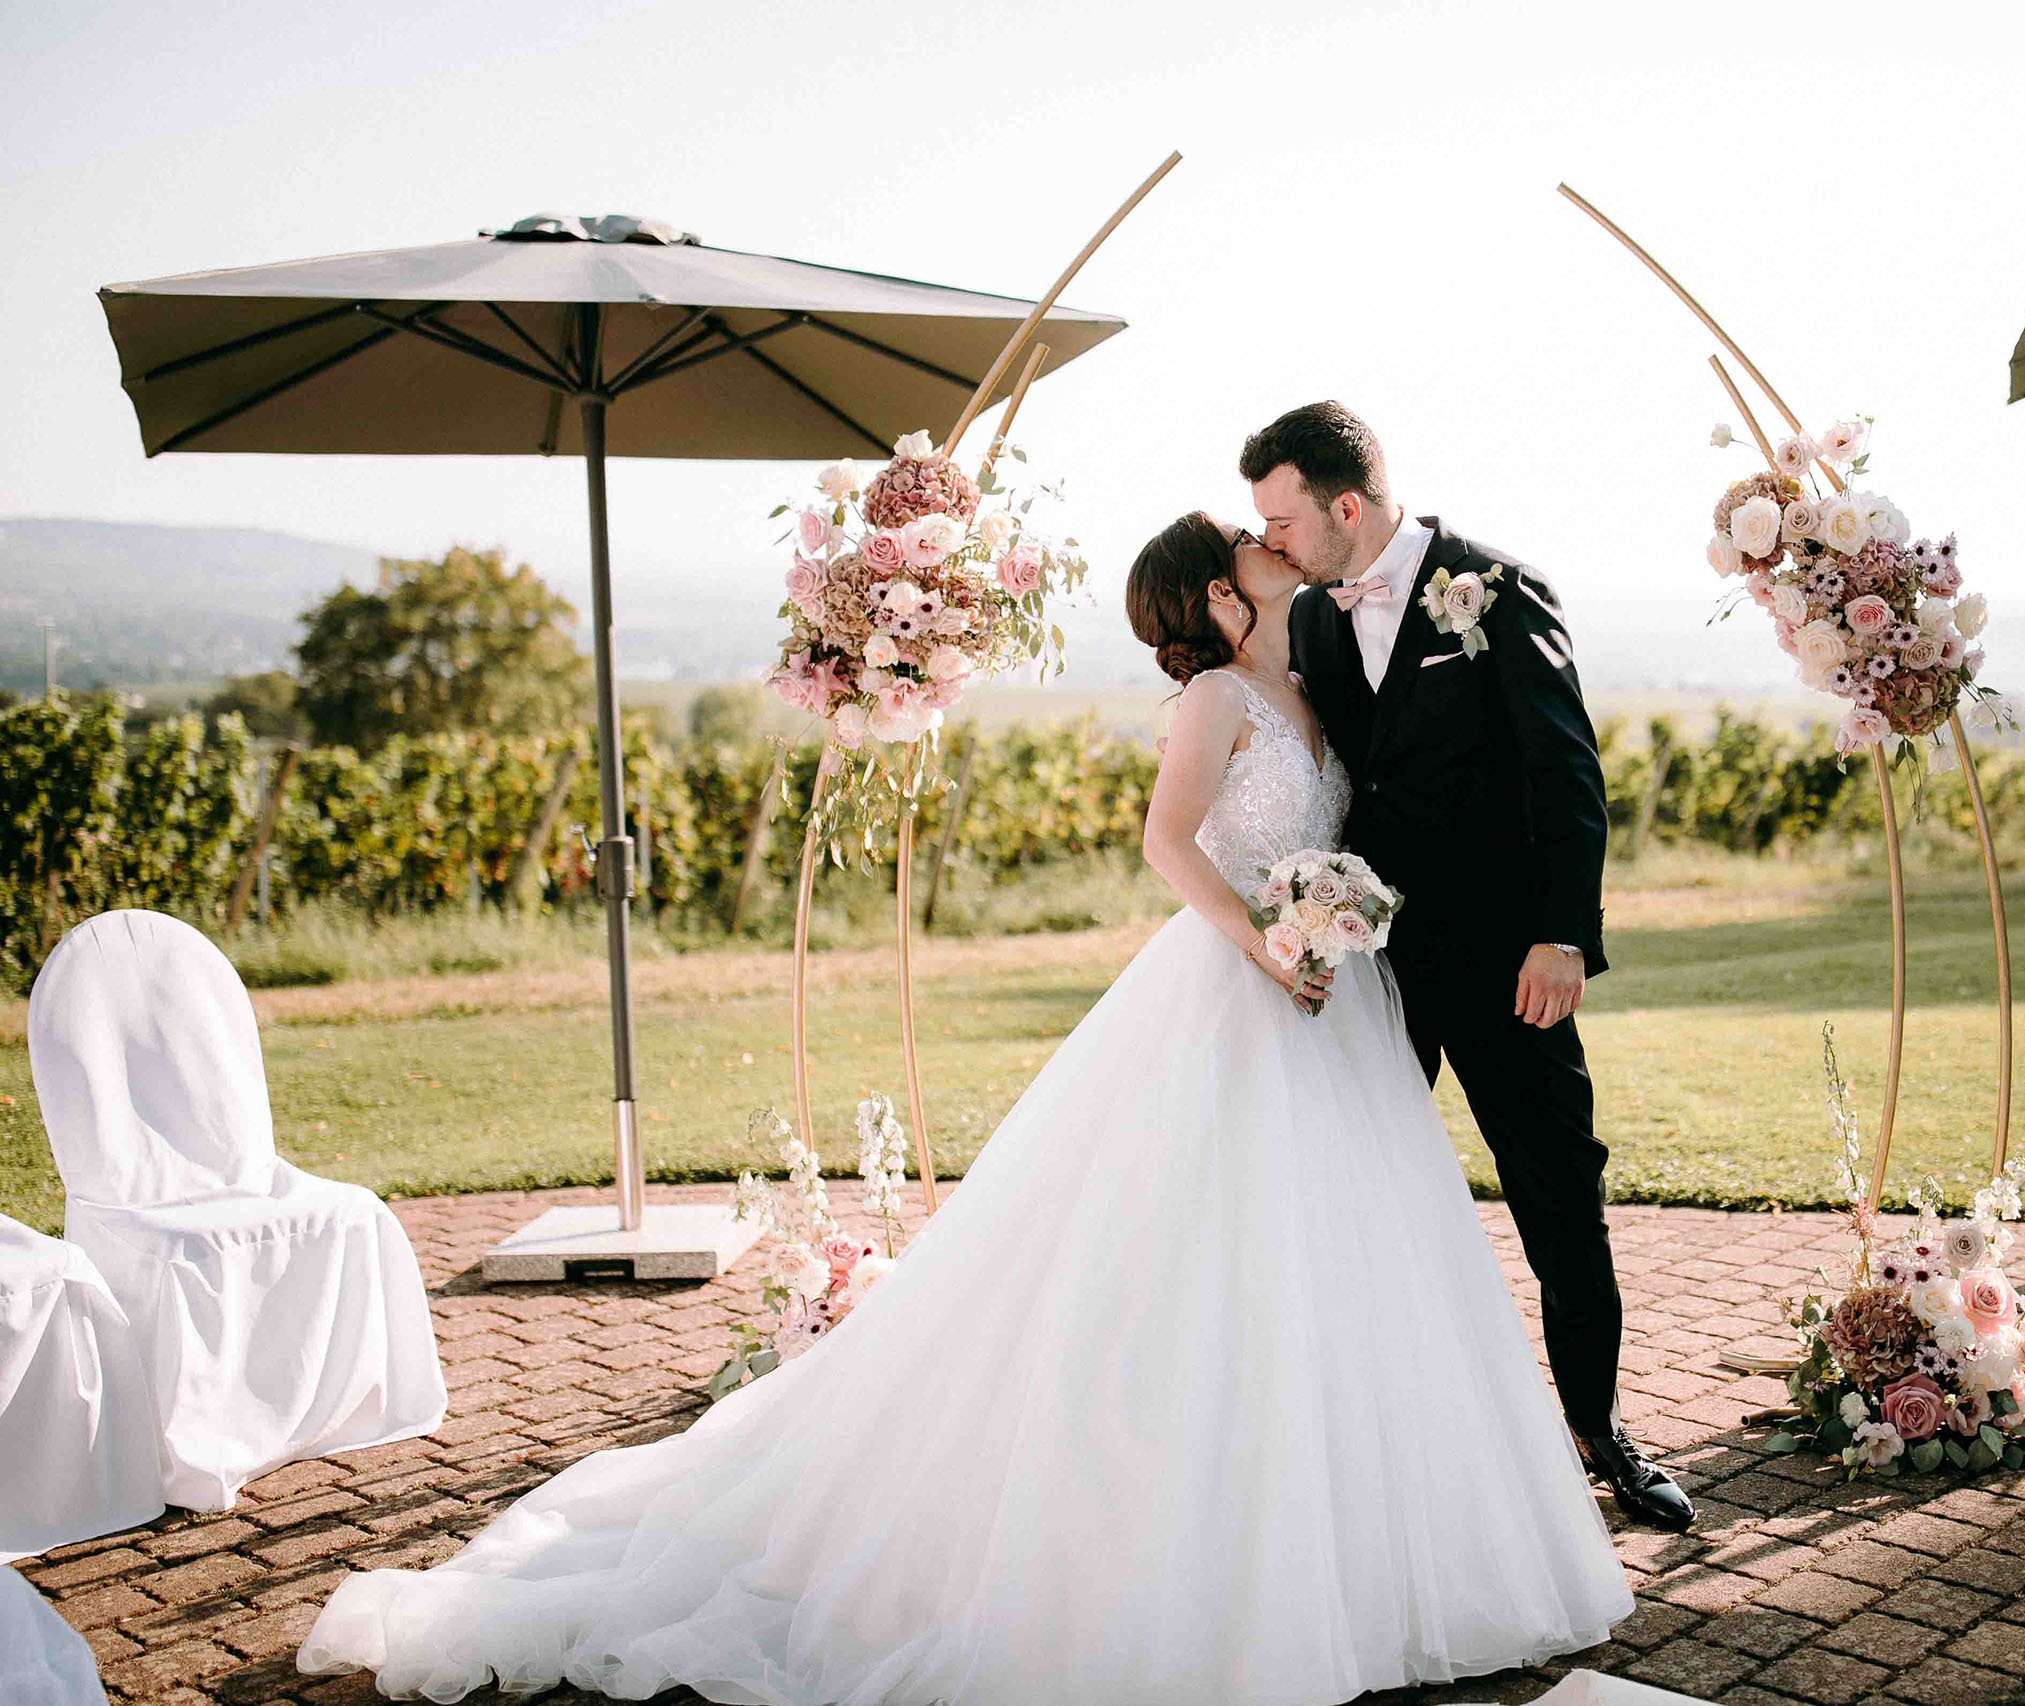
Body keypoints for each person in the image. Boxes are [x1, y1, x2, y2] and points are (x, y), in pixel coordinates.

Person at [295, 511, 1632, 1706]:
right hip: (1237, 995)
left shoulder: (1313, 677)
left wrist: (1339, 923)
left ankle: (1356, 1539)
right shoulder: (1215, 696)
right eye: (1245, 542)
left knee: (1339, 1266)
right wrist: (1265, 943)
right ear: (1218, 597)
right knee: (1192, 1271)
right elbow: (1168, 842)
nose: (1267, 542)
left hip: (1334, 1015)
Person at [1250, 400, 1693, 1532]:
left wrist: (1563, 935)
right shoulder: (1308, 621)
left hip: (1510, 967)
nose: (1274, 541)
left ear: (1348, 506)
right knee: (1353, 1198)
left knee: (1560, 1197)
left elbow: (1566, 773)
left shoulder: (1494, 588)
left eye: (1284, 520)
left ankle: (1599, 1432)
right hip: (1373, 976)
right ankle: (1371, 1451)